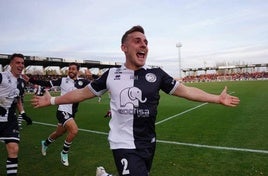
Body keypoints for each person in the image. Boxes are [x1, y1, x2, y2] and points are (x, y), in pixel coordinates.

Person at [32, 26, 240, 176]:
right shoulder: (111, 75)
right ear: (124, 47)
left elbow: (186, 91)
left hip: (148, 142)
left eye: (146, 42)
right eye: (138, 41)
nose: (144, 45)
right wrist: (52, 101)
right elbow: (82, 93)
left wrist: (216, 98)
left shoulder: (157, 74)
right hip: (122, 142)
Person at [25, 63, 90, 166]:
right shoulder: (63, 80)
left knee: (59, 133)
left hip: (72, 113)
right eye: (69, 69)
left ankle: (45, 143)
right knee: (74, 130)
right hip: (62, 110)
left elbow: (95, 85)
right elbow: (45, 82)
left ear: (77, 71)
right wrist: (31, 80)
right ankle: (64, 153)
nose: (71, 71)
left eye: (73, 69)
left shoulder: (83, 82)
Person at [0, 53, 26, 176]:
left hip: (10, 119)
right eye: (17, 62)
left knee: (14, 149)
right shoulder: (2, 76)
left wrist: (23, 113)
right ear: (11, 64)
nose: (21, 65)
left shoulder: (21, 82)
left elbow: (18, 100)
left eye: (22, 63)